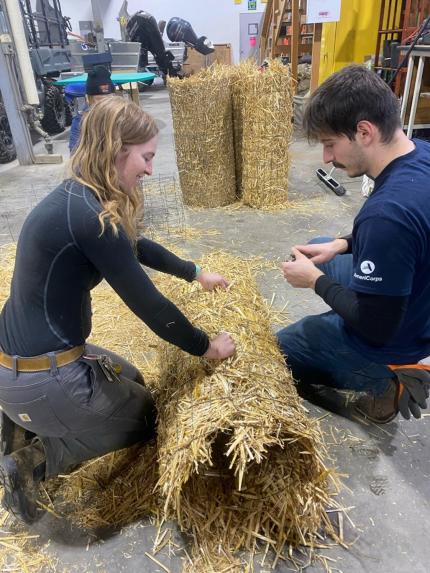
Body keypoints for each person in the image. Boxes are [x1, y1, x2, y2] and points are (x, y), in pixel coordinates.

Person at [0, 97, 236, 523]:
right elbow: (149, 304)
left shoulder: (78, 198)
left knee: (135, 380)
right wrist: (206, 348)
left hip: (19, 364)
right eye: (145, 157)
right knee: (146, 417)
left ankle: (24, 423)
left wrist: (195, 272)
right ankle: (39, 458)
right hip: (43, 375)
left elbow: (134, 244)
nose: (149, 169)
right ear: (115, 149)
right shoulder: (89, 217)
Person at [277, 64, 430, 425]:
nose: (327, 158)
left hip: (388, 338)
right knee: (320, 244)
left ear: (364, 132)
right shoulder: (420, 155)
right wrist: (341, 245)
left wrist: (314, 281)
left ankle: (388, 381)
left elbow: (375, 325)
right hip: (416, 296)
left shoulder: (386, 215)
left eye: (330, 144)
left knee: (275, 352)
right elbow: (409, 233)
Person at [68, 65, 115, 153]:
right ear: (88, 99)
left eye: (109, 99)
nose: (104, 104)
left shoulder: (123, 116)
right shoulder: (80, 121)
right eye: (99, 100)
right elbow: (75, 154)